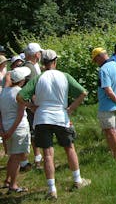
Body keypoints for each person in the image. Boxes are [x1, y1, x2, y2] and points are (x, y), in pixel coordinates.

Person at [17, 49, 90, 200]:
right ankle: (77, 180)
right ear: (55, 61)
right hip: (60, 116)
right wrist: (71, 108)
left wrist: (31, 106)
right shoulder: (64, 76)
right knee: (69, 148)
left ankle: (52, 189)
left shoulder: (38, 79)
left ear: (43, 63)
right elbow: (83, 92)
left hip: (42, 117)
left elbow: (20, 96)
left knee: (48, 154)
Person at [92, 47, 116, 161]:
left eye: (95, 60)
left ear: (100, 57)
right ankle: (113, 151)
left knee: (111, 131)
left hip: (107, 106)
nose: (96, 63)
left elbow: (108, 90)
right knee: (113, 130)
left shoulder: (103, 70)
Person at [0, 67, 31, 194]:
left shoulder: (4, 92)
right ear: (21, 81)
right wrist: (11, 131)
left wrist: (3, 130)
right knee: (17, 157)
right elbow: (19, 115)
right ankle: (13, 185)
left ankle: (8, 180)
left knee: (13, 157)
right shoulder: (20, 93)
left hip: (7, 127)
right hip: (18, 129)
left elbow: (1, 114)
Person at [22, 42, 43, 169]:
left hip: (31, 105)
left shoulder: (32, 66)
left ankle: (37, 157)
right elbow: (32, 90)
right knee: (34, 131)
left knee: (34, 131)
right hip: (32, 106)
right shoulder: (30, 69)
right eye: (40, 52)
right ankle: (37, 158)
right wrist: (34, 106)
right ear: (36, 54)